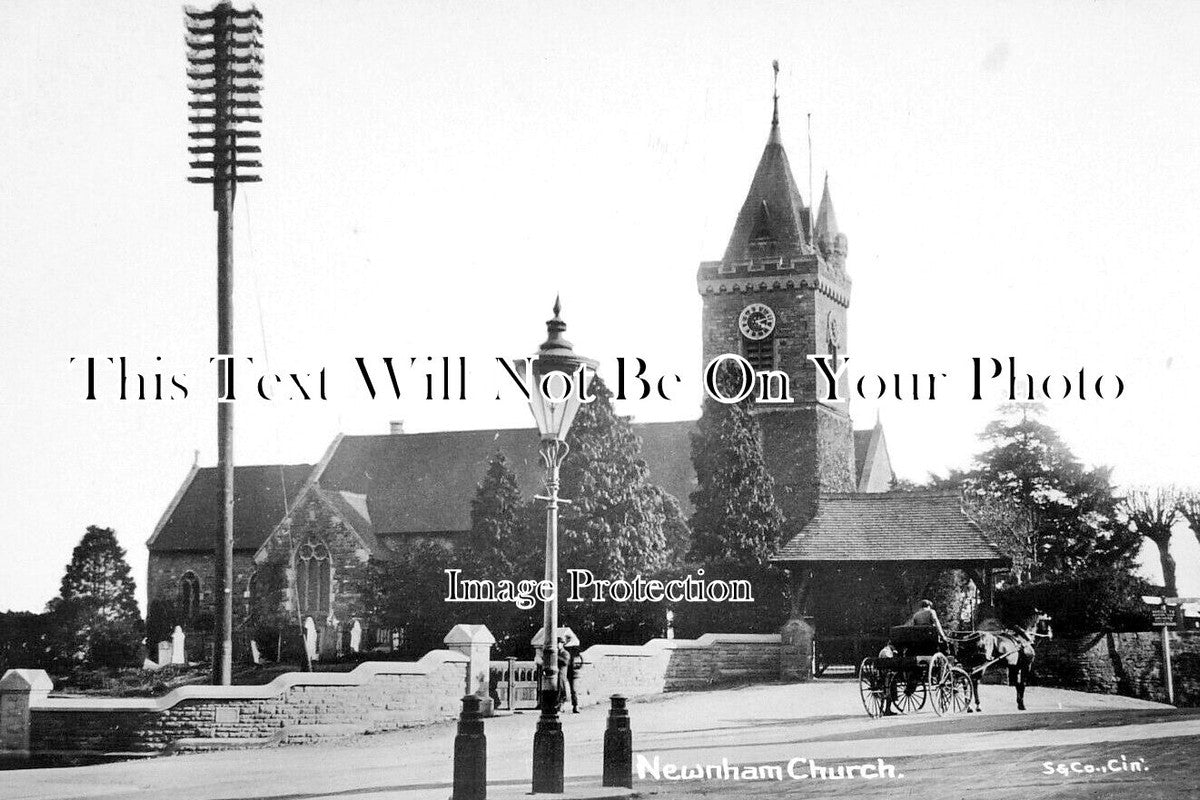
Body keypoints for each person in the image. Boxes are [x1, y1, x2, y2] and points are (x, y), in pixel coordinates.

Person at [566, 643, 582, 713]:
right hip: (572, 674)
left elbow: (579, 665)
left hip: (573, 675)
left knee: (574, 691)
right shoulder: (575, 657)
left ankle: (575, 705)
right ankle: (575, 706)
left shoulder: (576, 657)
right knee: (573, 691)